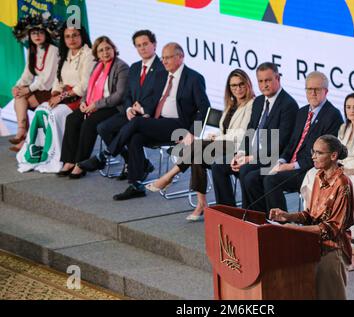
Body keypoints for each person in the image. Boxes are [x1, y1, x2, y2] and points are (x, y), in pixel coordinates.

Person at [104, 42, 210, 201]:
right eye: (163, 58)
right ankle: (136, 184)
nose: (164, 61)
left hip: (179, 126)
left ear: (180, 57)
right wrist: (145, 111)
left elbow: (204, 108)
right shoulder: (161, 76)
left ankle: (106, 154)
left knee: (137, 124)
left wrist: (193, 132)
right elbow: (154, 100)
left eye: (168, 57)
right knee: (135, 136)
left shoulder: (194, 78)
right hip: (159, 123)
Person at [146, 69, 255, 220]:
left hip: (239, 148)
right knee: (198, 154)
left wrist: (217, 138)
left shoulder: (253, 104)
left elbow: (243, 134)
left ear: (248, 84)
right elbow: (225, 130)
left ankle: (170, 176)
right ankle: (201, 202)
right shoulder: (231, 105)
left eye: (241, 84)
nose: (237, 88)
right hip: (224, 144)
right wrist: (216, 135)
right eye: (233, 85)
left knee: (197, 148)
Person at [301, 92, 354, 270]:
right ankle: (314, 215)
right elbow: (339, 156)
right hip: (344, 166)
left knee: (353, 182)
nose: (351, 111)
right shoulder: (342, 129)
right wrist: (337, 166)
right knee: (312, 173)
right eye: (348, 107)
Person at [269, 135, 354, 300]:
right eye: (313, 152)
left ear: (333, 156)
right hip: (313, 243)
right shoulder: (318, 176)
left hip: (333, 249)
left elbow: (332, 229)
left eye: (319, 153)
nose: (313, 156)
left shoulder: (343, 184)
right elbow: (311, 215)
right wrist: (287, 216)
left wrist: (297, 230)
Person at [245, 71, 343, 214]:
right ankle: (261, 220)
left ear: (326, 91)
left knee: (271, 180)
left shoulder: (333, 116)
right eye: (309, 89)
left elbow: (324, 155)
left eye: (317, 89)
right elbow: (292, 143)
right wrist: (281, 160)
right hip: (289, 165)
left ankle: (281, 226)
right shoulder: (302, 112)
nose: (313, 93)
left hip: (309, 170)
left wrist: (291, 166)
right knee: (251, 178)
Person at [79, 30, 165, 180]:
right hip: (131, 113)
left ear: (154, 45)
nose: (142, 48)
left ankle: (106, 157)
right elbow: (127, 95)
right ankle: (138, 163)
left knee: (130, 134)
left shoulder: (162, 68)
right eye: (138, 46)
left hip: (149, 116)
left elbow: (159, 96)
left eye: (145, 44)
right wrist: (129, 108)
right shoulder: (135, 67)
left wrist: (143, 109)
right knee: (103, 127)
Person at [211, 62, 298, 209]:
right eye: (261, 81)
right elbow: (250, 131)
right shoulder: (258, 101)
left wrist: (251, 158)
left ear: (278, 79)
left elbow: (280, 142)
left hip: (272, 157)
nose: (264, 85)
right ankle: (228, 211)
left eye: (268, 80)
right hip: (251, 154)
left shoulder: (288, 105)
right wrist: (240, 153)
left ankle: (251, 215)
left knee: (246, 170)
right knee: (218, 165)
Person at [16, 22, 95, 173]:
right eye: (67, 36)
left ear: (82, 36)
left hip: (81, 99)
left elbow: (84, 86)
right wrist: (54, 95)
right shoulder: (65, 54)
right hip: (63, 96)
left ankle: (58, 157)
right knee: (41, 110)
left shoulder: (88, 54)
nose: (71, 39)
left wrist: (61, 97)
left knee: (54, 114)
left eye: (75, 35)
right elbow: (57, 81)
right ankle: (38, 153)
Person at [57, 36, 129, 179]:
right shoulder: (97, 66)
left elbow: (119, 95)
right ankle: (69, 160)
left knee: (89, 123)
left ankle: (81, 164)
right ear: (96, 54)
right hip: (93, 104)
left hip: (114, 107)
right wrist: (83, 102)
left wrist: (96, 105)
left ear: (113, 49)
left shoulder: (121, 67)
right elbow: (89, 88)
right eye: (101, 50)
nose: (105, 53)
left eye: (108, 48)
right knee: (72, 119)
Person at [9, 13, 61, 152]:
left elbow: (47, 79)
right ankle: (22, 131)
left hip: (52, 89)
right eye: (33, 33)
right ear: (29, 36)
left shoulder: (53, 50)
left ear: (46, 34)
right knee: (19, 95)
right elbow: (27, 74)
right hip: (40, 88)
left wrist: (28, 90)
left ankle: (24, 136)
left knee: (25, 99)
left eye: (40, 32)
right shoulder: (32, 50)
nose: (37, 36)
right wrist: (18, 86)